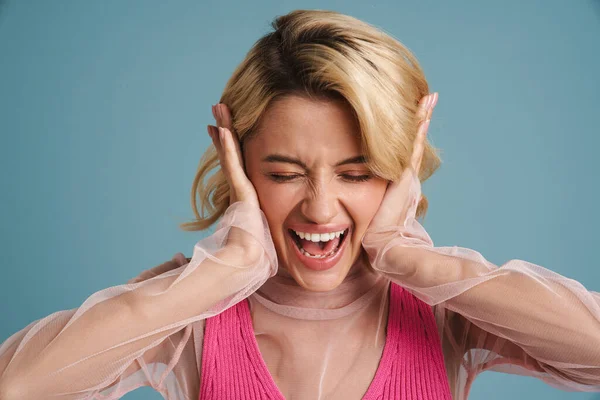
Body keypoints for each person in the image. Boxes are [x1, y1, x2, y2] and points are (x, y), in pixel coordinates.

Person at [1, 9, 599, 400]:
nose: (320, 208)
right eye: (285, 173)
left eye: (357, 173)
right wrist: (223, 275)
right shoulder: (188, 314)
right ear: (233, 157)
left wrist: (414, 262)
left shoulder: (447, 310)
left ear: (402, 166)